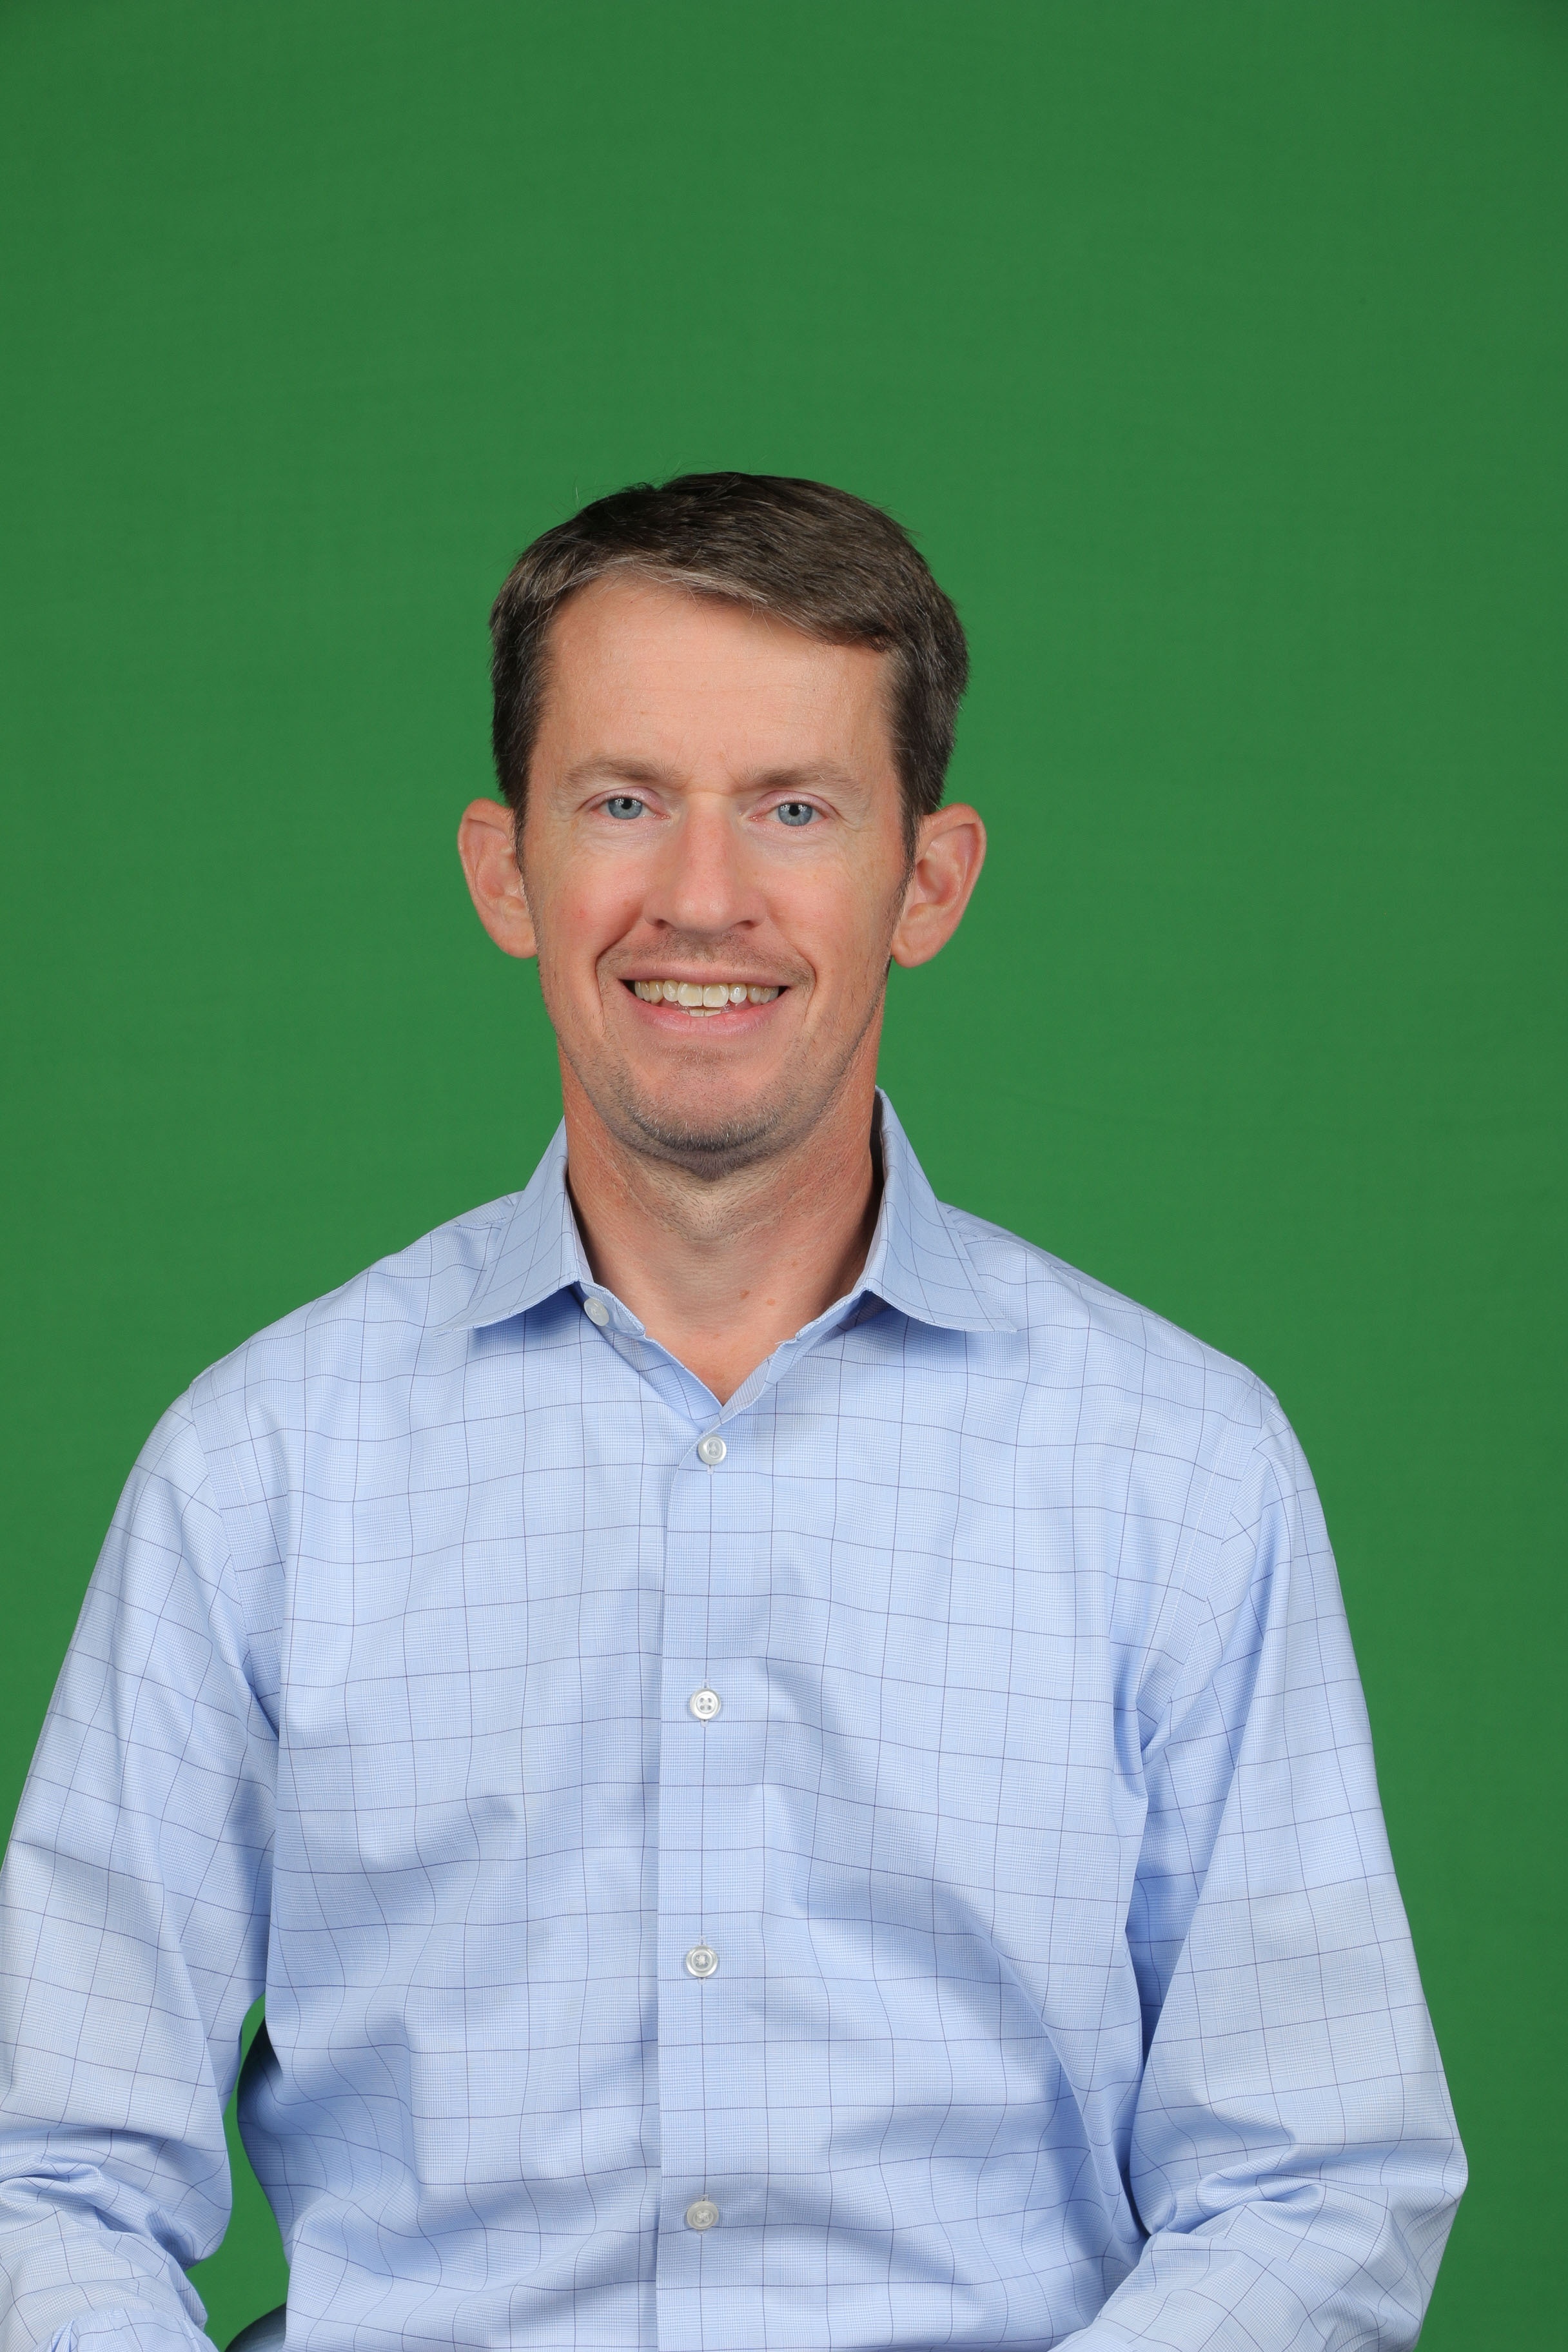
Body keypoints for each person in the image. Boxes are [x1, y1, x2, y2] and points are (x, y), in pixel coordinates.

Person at [0, 475, 1462, 2352]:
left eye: (794, 807)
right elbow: (47, 2168)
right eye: (624, 802)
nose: (703, 897)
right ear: (505, 870)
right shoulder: (260, 1470)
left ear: (927, 882)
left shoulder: (1179, 1470)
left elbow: (1316, 2180)